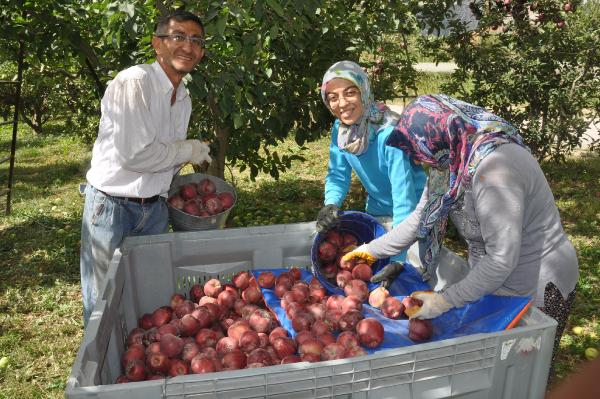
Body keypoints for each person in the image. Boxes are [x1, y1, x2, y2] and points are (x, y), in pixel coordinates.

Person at [343, 94, 579, 366]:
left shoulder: (495, 172)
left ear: (438, 136)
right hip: (492, 279)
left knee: (526, 370)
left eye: (422, 152)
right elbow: (420, 219)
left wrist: (445, 301)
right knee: (497, 368)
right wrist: (369, 251)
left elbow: (501, 259)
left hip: (536, 280)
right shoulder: (450, 160)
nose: (422, 162)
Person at [80, 9, 211, 326]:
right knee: (103, 303)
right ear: (157, 43)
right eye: (178, 36)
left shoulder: (184, 98)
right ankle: (101, 372)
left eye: (196, 40)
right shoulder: (135, 82)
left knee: (148, 301)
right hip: (112, 209)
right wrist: (189, 148)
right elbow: (135, 156)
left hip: (154, 209)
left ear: (202, 52)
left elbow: (165, 158)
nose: (187, 47)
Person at [315, 60, 426, 266]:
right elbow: (338, 174)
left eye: (350, 93)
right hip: (379, 210)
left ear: (363, 91)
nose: (342, 104)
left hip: (416, 215)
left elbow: (404, 198)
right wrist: (331, 204)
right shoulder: (341, 131)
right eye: (332, 98)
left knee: (409, 276)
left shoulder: (390, 133)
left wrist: (398, 259)